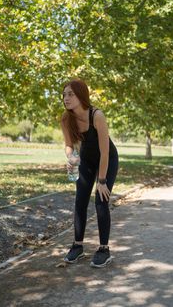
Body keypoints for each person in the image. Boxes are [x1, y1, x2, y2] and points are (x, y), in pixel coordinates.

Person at [61, 78, 119, 268]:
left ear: (81, 95)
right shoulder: (66, 118)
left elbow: (105, 152)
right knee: (80, 200)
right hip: (86, 160)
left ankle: (104, 249)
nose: (66, 98)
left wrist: (101, 180)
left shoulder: (97, 115)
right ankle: (77, 246)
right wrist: (71, 158)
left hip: (107, 159)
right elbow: (69, 146)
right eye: (64, 95)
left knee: (101, 200)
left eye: (71, 94)